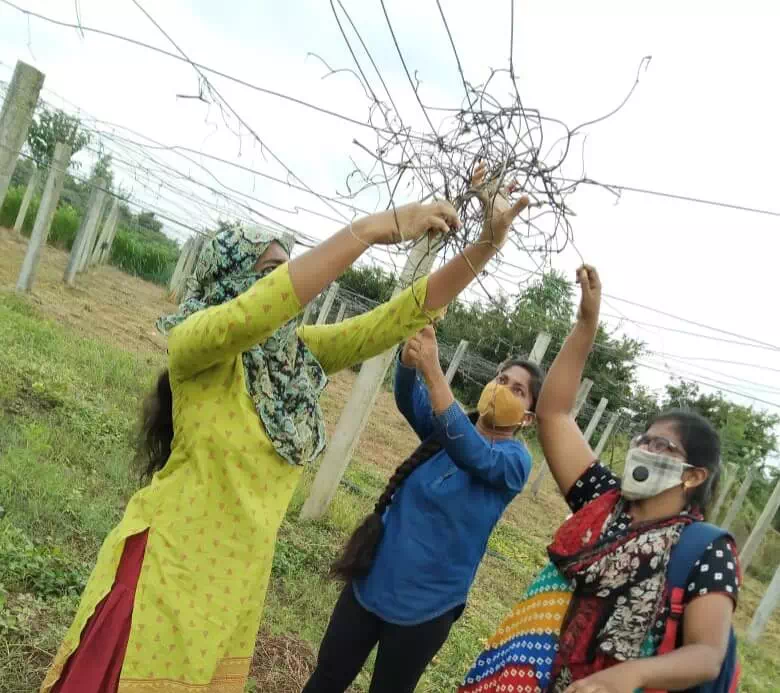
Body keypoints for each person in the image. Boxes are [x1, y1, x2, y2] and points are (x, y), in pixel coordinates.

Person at [41, 165, 530, 693]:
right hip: (166, 569)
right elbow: (252, 314)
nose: (280, 282)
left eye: (284, 269)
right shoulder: (195, 345)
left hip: (233, 581)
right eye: (266, 270)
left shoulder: (293, 362)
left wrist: (485, 245)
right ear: (229, 279)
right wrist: (370, 230)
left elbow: (397, 317)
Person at [302, 174, 543, 693]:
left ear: (528, 418)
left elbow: (472, 452)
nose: (504, 388)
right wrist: (414, 351)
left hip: (427, 607)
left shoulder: (512, 461)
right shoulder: (446, 428)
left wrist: (436, 372)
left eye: (519, 390)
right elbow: (409, 397)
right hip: (372, 581)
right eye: (502, 378)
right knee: (325, 680)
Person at [460, 266, 741, 693]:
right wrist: (585, 326)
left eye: (661, 446)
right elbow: (553, 413)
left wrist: (632, 673)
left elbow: (706, 654)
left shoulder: (705, 549)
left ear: (694, 476)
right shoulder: (603, 504)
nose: (644, 449)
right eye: (643, 439)